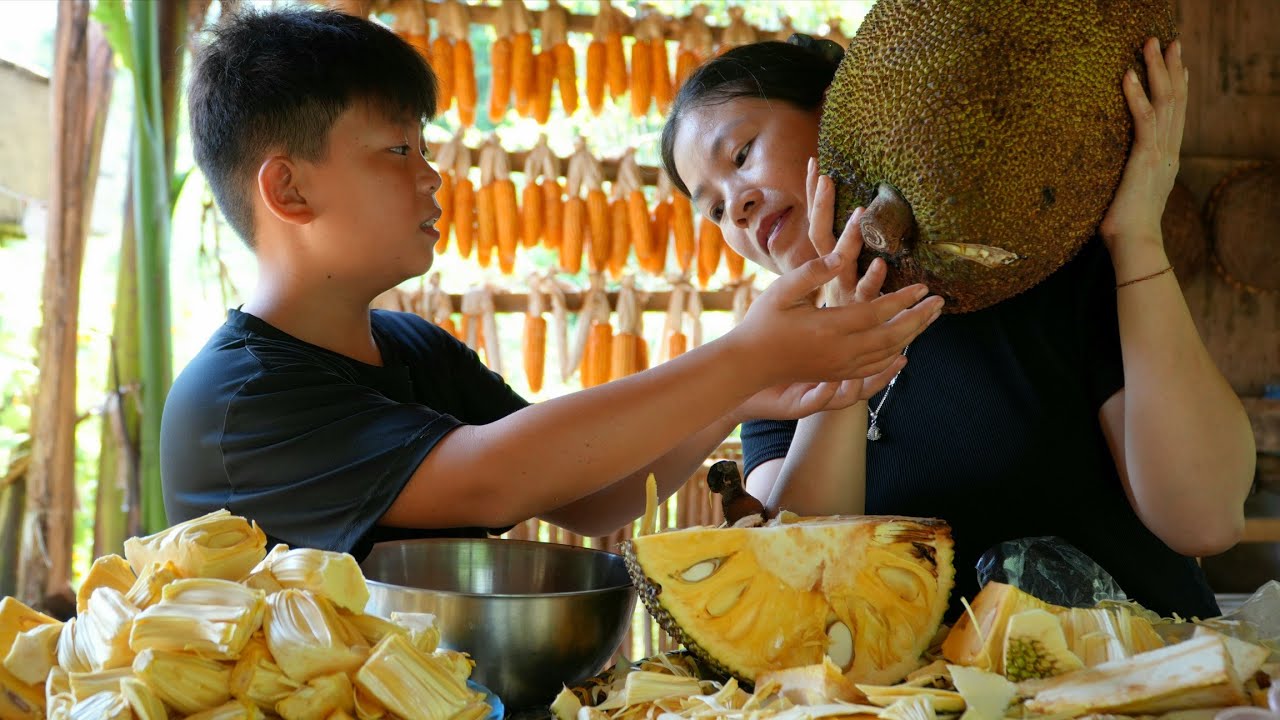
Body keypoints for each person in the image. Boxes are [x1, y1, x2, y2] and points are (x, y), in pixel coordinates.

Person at [159, 8, 943, 562]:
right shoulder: (237, 401)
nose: (434, 176)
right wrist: (743, 362)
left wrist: (734, 399)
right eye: (398, 151)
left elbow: (591, 498)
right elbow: (493, 482)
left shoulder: (411, 348)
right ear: (289, 191)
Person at [660, 35, 1256, 619]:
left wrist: (1137, 238)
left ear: (837, 116)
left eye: (740, 156)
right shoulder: (776, 368)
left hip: (1142, 692)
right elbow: (806, 586)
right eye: (713, 209)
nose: (734, 206)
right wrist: (841, 337)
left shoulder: (1035, 271)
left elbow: (1204, 519)